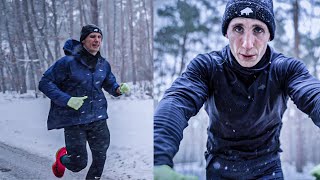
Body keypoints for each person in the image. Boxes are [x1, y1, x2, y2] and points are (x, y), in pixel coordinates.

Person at [154, 0, 320, 179]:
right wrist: (157, 158)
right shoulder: (207, 66)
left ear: (269, 35)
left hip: (267, 169)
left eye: (258, 29)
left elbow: (313, 95)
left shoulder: (286, 69)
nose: (247, 44)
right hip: (219, 168)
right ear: (226, 32)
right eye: (238, 28)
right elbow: (178, 101)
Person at [39, 24, 130, 179]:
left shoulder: (103, 64)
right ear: (83, 41)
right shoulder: (67, 62)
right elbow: (45, 83)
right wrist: (67, 100)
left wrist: (118, 89)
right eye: (92, 36)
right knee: (78, 164)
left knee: (100, 158)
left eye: (99, 37)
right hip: (75, 120)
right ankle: (62, 158)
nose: (97, 40)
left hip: (98, 118)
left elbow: (109, 84)